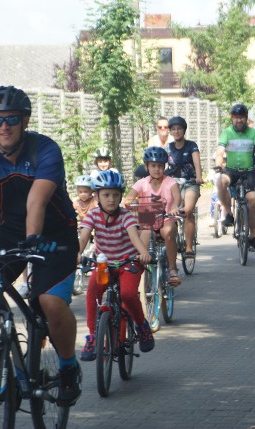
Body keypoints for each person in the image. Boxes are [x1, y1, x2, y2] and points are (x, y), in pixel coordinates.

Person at [0, 85, 82, 406]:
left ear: (25, 121)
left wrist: (33, 243)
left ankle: (69, 367)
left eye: (11, 119)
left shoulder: (45, 150)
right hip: (9, 231)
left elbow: (37, 201)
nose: (4, 126)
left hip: (55, 233)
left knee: (50, 303)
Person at [78, 170, 155, 361]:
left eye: (115, 195)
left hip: (128, 262)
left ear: (121, 196)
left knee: (128, 295)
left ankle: (141, 326)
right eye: (106, 195)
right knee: (92, 292)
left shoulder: (125, 216)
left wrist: (143, 253)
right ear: (96, 196)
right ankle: (94, 336)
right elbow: (84, 237)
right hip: (104, 265)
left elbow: (134, 237)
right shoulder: (92, 216)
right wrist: (77, 253)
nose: (111, 199)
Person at [124, 147, 182, 287]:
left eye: (160, 166)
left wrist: (174, 207)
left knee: (168, 232)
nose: (157, 169)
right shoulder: (141, 183)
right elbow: (128, 198)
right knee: (145, 233)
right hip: (147, 220)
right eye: (153, 166)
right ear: (147, 166)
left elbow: (177, 197)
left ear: (164, 167)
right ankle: (139, 270)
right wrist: (128, 203)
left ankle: (173, 269)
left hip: (166, 218)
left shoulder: (170, 182)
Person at [215, 103, 255, 252]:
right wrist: (219, 164)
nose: (239, 121)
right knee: (220, 181)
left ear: (246, 118)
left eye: (242, 117)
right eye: (236, 118)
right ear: (232, 118)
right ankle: (229, 213)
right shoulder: (226, 132)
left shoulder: (253, 133)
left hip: (249, 172)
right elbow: (219, 152)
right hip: (231, 171)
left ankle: (252, 236)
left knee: (252, 201)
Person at [164, 116, 203, 256]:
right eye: (173, 129)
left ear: (184, 130)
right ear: (170, 131)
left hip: (190, 182)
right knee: (168, 212)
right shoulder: (167, 147)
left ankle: (188, 247)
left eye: (179, 128)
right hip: (173, 184)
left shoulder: (191, 145)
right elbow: (161, 164)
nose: (176, 131)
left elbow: (197, 164)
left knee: (186, 211)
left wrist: (198, 177)